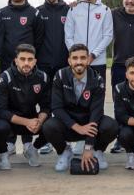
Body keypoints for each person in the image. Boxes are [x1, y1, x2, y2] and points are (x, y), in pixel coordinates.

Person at [43, 44, 118, 172]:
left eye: (83, 58)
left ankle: (97, 151)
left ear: (88, 59)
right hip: (69, 125)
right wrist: (77, 127)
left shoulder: (97, 79)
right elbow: (56, 108)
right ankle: (65, 152)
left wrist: (88, 147)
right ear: (69, 60)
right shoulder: (60, 76)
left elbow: (96, 112)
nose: (79, 61)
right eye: (75, 58)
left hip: (89, 124)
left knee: (111, 126)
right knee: (49, 126)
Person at [0, 44, 51, 169]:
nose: (26, 63)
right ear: (16, 60)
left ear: (35, 61)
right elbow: (1, 110)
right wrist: (27, 122)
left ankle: (32, 149)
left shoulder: (43, 77)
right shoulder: (5, 77)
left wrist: (39, 121)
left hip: (32, 119)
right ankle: (3, 154)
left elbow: (46, 106)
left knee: (53, 125)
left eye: (30, 59)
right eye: (22, 59)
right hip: (10, 120)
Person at [36, 0, 69, 155]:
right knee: (46, 102)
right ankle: (45, 140)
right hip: (43, 65)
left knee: (64, 101)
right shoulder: (38, 12)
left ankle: (64, 136)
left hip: (63, 64)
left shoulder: (67, 10)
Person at [65, 0, 113, 79]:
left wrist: (93, 55)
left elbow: (108, 36)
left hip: (98, 62)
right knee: (77, 89)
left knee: (98, 89)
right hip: (77, 63)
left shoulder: (105, 10)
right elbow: (68, 36)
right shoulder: (73, 9)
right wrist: (77, 56)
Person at [0, 0, 45, 74]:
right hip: (6, 64)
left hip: (27, 64)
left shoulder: (35, 13)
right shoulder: (1, 13)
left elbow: (39, 40)